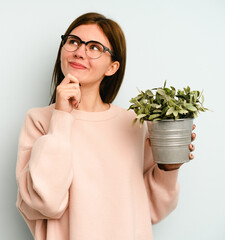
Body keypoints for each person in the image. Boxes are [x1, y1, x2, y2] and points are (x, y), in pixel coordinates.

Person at [15, 12, 196, 240]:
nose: (79, 52)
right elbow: (47, 202)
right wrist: (61, 117)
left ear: (112, 67)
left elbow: (152, 210)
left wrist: (169, 169)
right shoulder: (39, 120)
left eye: (94, 47)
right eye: (73, 42)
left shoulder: (134, 124)